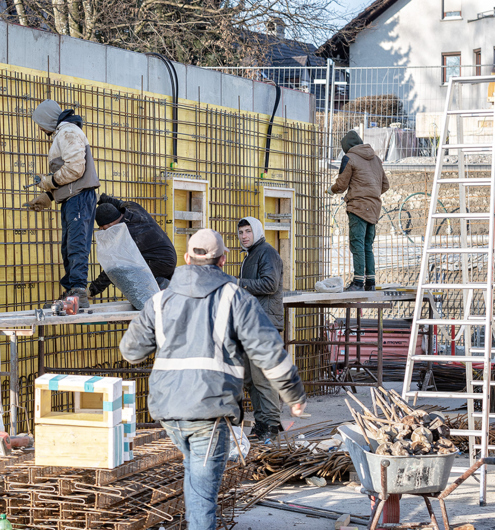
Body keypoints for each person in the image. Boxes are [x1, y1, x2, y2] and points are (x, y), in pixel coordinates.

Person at [119, 229, 307, 530]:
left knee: (195, 478)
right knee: (203, 495)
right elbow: (268, 349)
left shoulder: (159, 301)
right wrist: (293, 395)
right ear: (224, 260)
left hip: (169, 410)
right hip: (210, 410)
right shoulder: (235, 299)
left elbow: (131, 351)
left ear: (185, 258)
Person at [23, 99, 100, 308]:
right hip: (73, 198)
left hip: (79, 199)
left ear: (47, 119)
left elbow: (75, 168)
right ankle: (72, 291)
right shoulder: (63, 133)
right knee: (69, 247)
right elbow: (71, 177)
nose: (39, 128)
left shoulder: (67, 132)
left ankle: (78, 292)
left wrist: (48, 182)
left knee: (76, 244)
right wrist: (49, 197)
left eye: (40, 123)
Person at [236, 217, 284, 442]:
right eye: (241, 233)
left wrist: (239, 283)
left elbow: (270, 284)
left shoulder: (267, 252)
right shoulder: (250, 255)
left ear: (257, 231)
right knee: (250, 379)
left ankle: (271, 425)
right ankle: (261, 422)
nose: (244, 236)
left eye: (248, 231)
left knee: (263, 378)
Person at [326, 130, 390, 292]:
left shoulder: (350, 158)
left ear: (347, 147)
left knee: (357, 244)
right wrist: (370, 195)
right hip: (374, 207)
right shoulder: (375, 159)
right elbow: (385, 185)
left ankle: (357, 283)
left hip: (358, 207)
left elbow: (341, 185)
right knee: (368, 245)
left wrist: (331, 190)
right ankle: (370, 282)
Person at [89, 193, 176, 298]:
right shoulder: (133, 208)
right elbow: (117, 203)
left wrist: (92, 290)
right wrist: (100, 198)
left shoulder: (125, 235)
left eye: (103, 229)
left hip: (160, 262)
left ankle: (162, 285)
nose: (103, 231)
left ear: (110, 225)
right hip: (168, 256)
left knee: (128, 275)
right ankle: (165, 289)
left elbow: (114, 268)